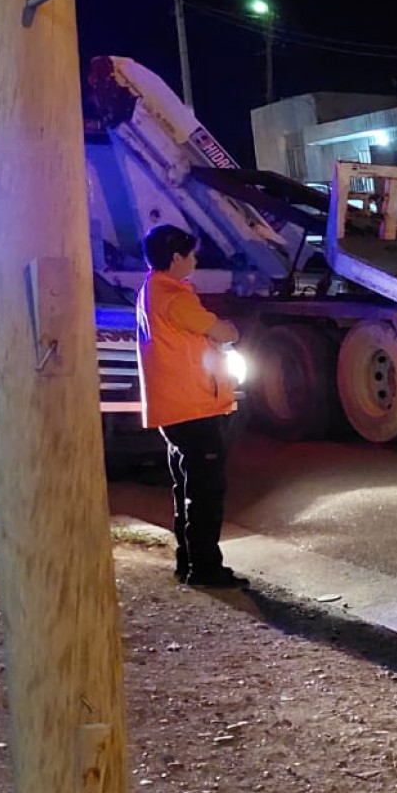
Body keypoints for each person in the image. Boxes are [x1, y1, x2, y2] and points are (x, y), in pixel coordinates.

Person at [136, 224, 247, 589]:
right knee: (205, 493)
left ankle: (188, 562)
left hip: (173, 407)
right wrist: (230, 328)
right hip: (194, 406)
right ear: (175, 257)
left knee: (185, 488)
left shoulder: (151, 290)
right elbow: (220, 331)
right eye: (192, 254)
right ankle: (205, 568)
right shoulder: (175, 298)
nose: (196, 260)